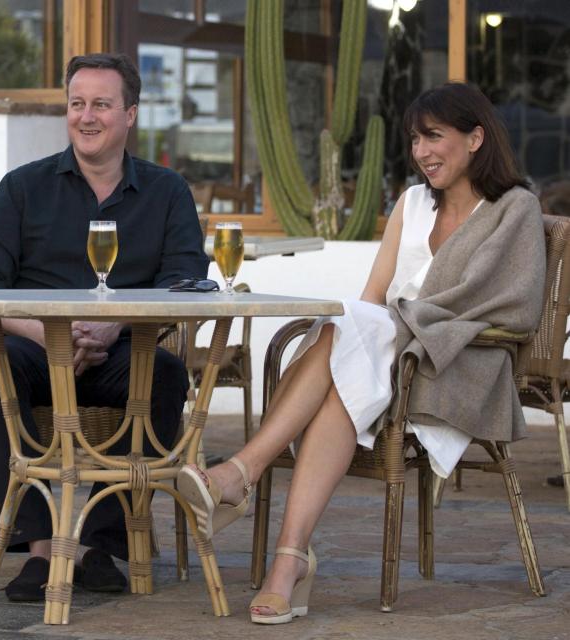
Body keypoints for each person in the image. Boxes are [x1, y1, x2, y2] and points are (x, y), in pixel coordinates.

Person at [178, 82, 546, 625]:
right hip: (389, 350)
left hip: (452, 362)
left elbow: (513, 303)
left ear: (475, 139)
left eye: (434, 137)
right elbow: (374, 297)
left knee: (345, 335)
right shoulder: (413, 203)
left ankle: (240, 475)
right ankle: (288, 561)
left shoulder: (514, 208)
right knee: (343, 356)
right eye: (415, 139)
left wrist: (398, 329)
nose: (421, 152)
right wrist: (375, 329)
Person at [0, 53, 208, 603]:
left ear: (130, 115)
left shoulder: (167, 192)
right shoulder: (22, 188)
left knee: (166, 376)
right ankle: (38, 548)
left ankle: (101, 545)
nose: (87, 116)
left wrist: (114, 325)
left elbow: (187, 279)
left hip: (121, 352)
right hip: (32, 347)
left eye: (102, 104)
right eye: (77, 104)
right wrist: (48, 333)